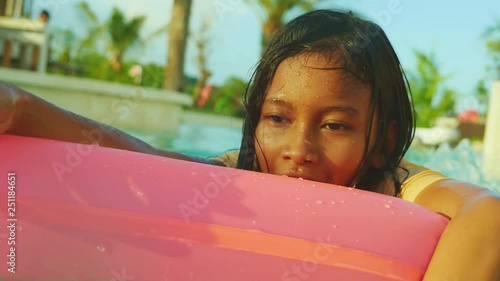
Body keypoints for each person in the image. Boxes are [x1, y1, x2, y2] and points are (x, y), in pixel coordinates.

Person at [0, 9, 499, 281]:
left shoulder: (396, 182)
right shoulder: (246, 170)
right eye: (277, 118)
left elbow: (488, 214)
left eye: (335, 126)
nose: (298, 149)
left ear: (381, 140)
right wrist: (22, 109)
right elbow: (150, 164)